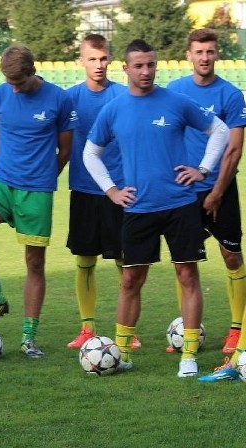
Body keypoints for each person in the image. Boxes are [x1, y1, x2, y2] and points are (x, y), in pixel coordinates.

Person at [83, 39, 229, 377]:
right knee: (131, 280)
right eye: (138, 66)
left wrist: (203, 169)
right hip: (138, 208)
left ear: (156, 65)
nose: (145, 71)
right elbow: (90, 153)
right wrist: (111, 190)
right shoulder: (114, 109)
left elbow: (219, 130)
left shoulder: (177, 102)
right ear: (126, 68)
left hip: (180, 205)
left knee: (187, 275)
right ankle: (120, 352)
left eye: (151, 65)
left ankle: (189, 355)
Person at [0, 44, 76, 358]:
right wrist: (6, 171)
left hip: (37, 191)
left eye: (20, 83)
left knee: (34, 263)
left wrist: (41, 177)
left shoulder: (58, 99)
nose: (14, 88)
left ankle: (28, 337)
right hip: (1, 182)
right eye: (10, 82)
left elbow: (65, 151)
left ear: (33, 71)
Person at [167, 28, 246, 356]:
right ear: (188, 55)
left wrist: (216, 191)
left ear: (216, 54)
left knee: (231, 257)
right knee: (183, 263)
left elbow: (234, 149)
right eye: (198, 52)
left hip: (221, 190)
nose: (204, 57)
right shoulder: (174, 92)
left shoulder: (231, 95)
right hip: (184, 192)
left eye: (210, 51)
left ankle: (237, 329)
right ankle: (188, 330)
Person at [65, 34, 143, 350]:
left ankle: (128, 329)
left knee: (125, 262)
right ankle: (87, 328)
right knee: (85, 261)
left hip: (121, 191)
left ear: (110, 60)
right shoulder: (68, 99)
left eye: (103, 58)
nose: (98, 65)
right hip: (84, 190)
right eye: (92, 59)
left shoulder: (125, 96)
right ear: (81, 61)